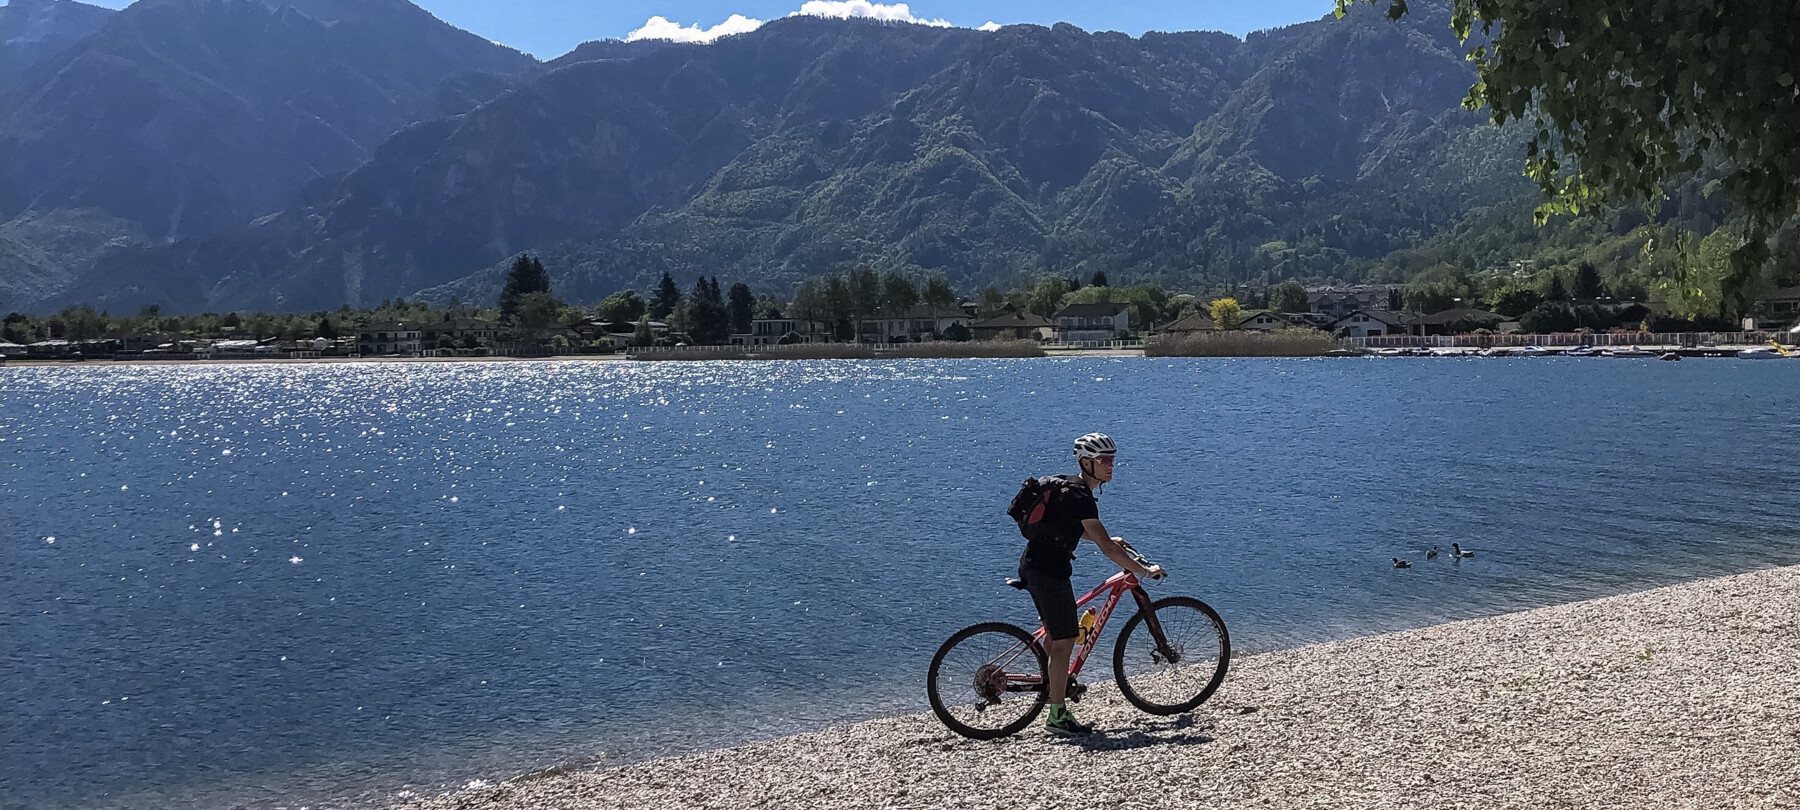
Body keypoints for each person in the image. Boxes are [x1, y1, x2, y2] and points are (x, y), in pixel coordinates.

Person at [1017, 432, 1165, 737]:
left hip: (1035, 565)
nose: (1111, 465)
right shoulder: (1081, 497)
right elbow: (1106, 548)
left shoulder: (1071, 487)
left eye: (1112, 459)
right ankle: (1057, 716)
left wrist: (1108, 540)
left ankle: (1051, 690)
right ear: (1086, 463)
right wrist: (1144, 570)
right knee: (1064, 642)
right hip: (1049, 572)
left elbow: (1070, 529)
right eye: (1103, 460)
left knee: (1055, 636)